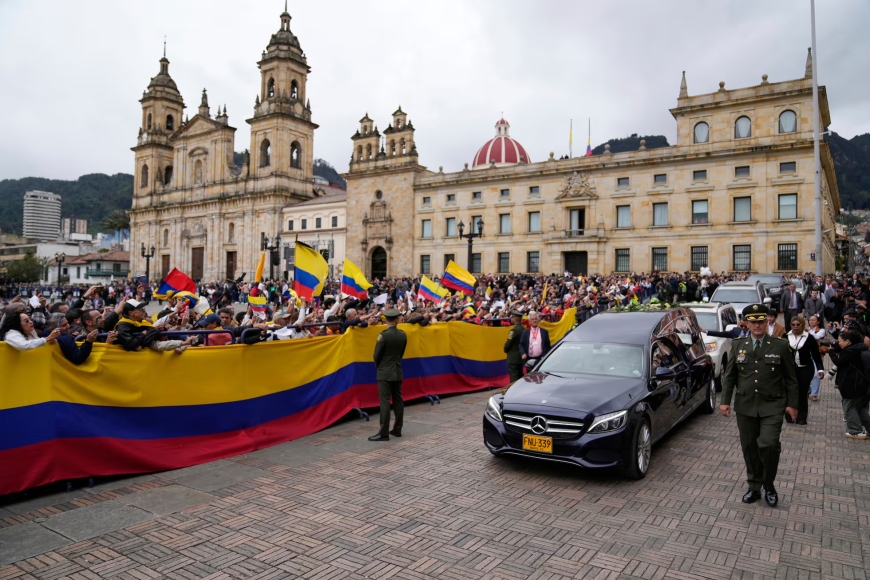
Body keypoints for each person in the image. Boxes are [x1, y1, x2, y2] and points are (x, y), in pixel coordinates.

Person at [721, 303, 798, 508]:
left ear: (767, 321)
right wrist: (724, 402)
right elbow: (730, 377)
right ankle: (754, 486)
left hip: (773, 404)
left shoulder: (780, 345)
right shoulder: (738, 345)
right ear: (746, 323)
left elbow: (791, 378)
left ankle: (769, 484)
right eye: (753, 321)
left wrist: (793, 404)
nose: (757, 325)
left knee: (769, 444)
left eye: (761, 321)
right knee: (749, 447)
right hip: (745, 405)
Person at [369, 308, 408, 442]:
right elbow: (401, 353)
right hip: (397, 369)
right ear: (397, 319)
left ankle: (383, 432)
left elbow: (376, 356)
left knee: (385, 402)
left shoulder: (383, 335)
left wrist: (380, 367)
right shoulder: (402, 334)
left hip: (384, 371)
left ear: (385, 319)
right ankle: (398, 428)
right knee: (398, 400)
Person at [828, 329, 870, 438]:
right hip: (862, 385)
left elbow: (839, 362)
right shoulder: (859, 348)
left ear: (848, 341)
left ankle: (855, 430)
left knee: (849, 407)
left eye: (840, 341)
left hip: (852, 385)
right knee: (860, 408)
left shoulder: (851, 352)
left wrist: (831, 352)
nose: (839, 343)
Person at [786, 316, 824, 425]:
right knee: (790, 391)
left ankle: (801, 417)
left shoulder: (809, 338)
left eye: (798, 324)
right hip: (790, 369)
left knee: (802, 392)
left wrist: (820, 369)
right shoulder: (785, 336)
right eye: (793, 324)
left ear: (803, 325)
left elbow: (816, 355)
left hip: (805, 368)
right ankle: (789, 414)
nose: (796, 326)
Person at [807, 314, 827, 401]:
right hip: (807, 353)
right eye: (810, 320)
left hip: (818, 353)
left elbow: (816, 337)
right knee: (807, 373)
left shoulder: (821, 330)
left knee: (817, 374)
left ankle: (814, 393)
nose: (811, 322)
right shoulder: (806, 330)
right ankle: (807, 391)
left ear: (818, 322)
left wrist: (807, 332)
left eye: (813, 320)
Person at [503, 311, 525, 383]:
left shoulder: (514, 330)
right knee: (520, 375)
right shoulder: (523, 329)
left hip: (513, 358)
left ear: (515, 319)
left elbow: (508, 344)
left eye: (512, 318)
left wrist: (505, 349)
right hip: (520, 357)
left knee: (514, 377)